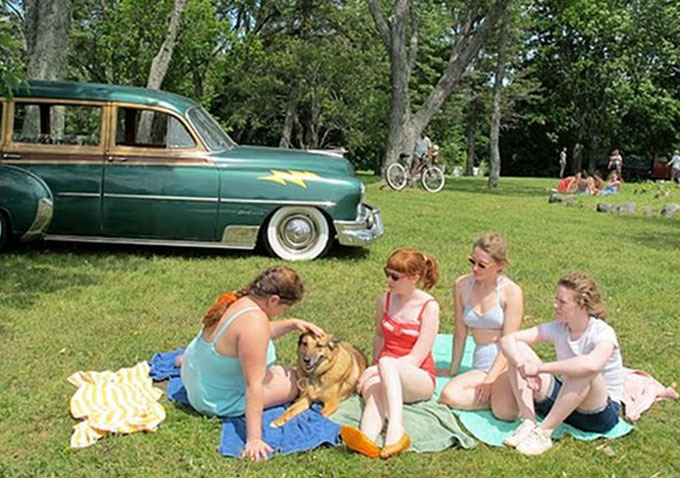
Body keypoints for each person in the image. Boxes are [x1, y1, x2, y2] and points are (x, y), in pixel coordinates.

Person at [179, 266, 323, 461]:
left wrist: (292, 324)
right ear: (273, 300)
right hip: (211, 400)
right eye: (285, 308)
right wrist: (254, 439)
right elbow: (253, 385)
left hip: (194, 381)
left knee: (279, 373)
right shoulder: (254, 324)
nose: (283, 313)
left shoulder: (239, 301)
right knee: (292, 380)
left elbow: (254, 335)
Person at [499, 271, 623, 456]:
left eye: (562, 302)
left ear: (582, 304)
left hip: (599, 414)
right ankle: (529, 422)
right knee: (518, 350)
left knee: (583, 370)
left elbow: (592, 365)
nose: (555, 305)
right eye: (556, 299)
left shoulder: (602, 333)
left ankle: (544, 432)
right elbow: (508, 340)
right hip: (566, 403)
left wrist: (539, 369)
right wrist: (522, 366)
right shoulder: (559, 328)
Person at [341, 248, 440, 459]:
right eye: (387, 273)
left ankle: (396, 429)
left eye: (395, 276)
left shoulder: (429, 307)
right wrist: (377, 367)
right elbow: (379, 335)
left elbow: (416, 358)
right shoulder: (384, 300)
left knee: (386, 363)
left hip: (417, 377)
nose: (388, 280)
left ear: (414, 277)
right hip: (385, 372)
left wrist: (376, 368)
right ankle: (366, 440)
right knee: (375, 392)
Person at [438, 233, 523, 420]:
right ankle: (497, 398)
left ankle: (505, 395)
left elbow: (509, 342)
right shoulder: (462, 285)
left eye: (482, 265)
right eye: (472, 261)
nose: (475, 269)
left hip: (504, 361)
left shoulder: (511, 292)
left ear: (499, 265)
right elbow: (460, 333)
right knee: (448, 395)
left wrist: (490, 379)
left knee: (505, 413)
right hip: (481, 362)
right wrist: (453, 369)